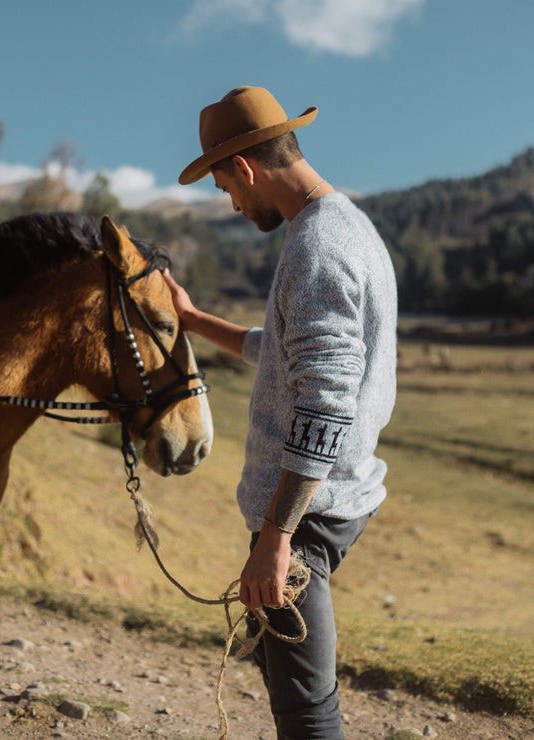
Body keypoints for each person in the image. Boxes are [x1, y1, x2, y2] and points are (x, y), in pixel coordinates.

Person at [164, 85, 397, 740]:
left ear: (244, 168)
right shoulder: (345, 225)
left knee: (306, 713)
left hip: (306, 518)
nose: (234, 205)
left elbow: (324, 406)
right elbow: (286, 357)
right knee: (289, 687)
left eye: (227, 190)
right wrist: (191, 320)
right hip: (320, 507)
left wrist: (275, 538)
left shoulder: (316, 250)